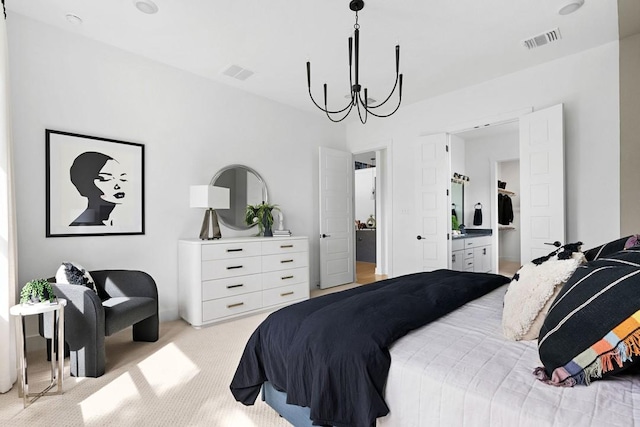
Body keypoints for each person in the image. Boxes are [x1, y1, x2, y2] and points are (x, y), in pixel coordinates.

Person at [69, 151, 127, 226]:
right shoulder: (83, 225)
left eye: (122, 178)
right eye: (106, 178)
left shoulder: (119, 220)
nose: (118, 186)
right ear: (87, 183)